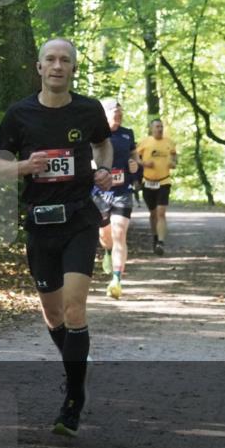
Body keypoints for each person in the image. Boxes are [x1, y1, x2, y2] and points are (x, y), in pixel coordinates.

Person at [0, 38, 113, 437]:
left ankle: (73, 400)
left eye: (65, 60)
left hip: (79, 220)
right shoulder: (19, 114)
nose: (58, 66)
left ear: (73, 68)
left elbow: (102, 144)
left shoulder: (88, 109)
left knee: (75, 309)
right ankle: (77, 363)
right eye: (51, 60)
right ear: (39, 68)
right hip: (39, 226)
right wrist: (26, 165)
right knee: (54, 315)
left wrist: (103, 170)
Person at [95, 98, 140, 300]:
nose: (119, 117)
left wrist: (135, 165)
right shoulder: (95, 134)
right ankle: (107, 251)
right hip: (99, 193)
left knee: (119, 233)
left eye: (121, 114)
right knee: (105, 237)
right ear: (105, 114)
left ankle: (116, 279)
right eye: (115, 113)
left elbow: (136, 157)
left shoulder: (127, 134)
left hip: (123, 191)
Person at [137, 118, 177, 255]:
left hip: (164, 182)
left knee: (161, 212)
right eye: (157, 127)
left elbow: (174, 159)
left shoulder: (169, 143)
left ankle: (161, 242)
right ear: (151, 128)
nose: (159, 129)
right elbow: (135, 157)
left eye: (161, 126)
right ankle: (155, 237)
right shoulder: (145, 142)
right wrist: (144, 164)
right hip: (148, 182)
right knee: (153, 213)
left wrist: (173, 163)